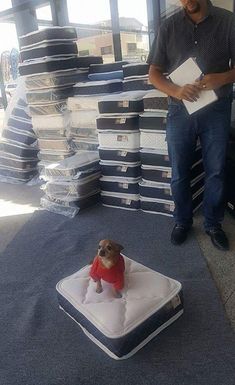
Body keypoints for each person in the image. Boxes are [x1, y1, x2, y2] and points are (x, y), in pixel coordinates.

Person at [147, 0, 235, 251]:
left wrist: (222, 77)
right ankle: (182, 220)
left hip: (216, 109)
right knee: (179, 172)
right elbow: (153, 73)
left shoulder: (228, 21)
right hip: (179, 109)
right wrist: (175, 90)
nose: (186, 0)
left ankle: (213, 223)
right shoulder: (168, 27)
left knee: (216, 170)